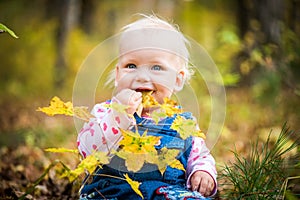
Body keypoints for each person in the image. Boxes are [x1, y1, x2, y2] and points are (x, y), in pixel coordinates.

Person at [77, 14, 217, 200]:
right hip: (111, 192)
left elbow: (199, 156)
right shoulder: (105, 112)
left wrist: (203, 172)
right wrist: (119, 116)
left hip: (166, 193)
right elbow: (87, 151)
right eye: (131, 65)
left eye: (157, 68)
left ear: (177, 79)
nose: (142, 76)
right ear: (118, 74)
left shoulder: (184, 123)